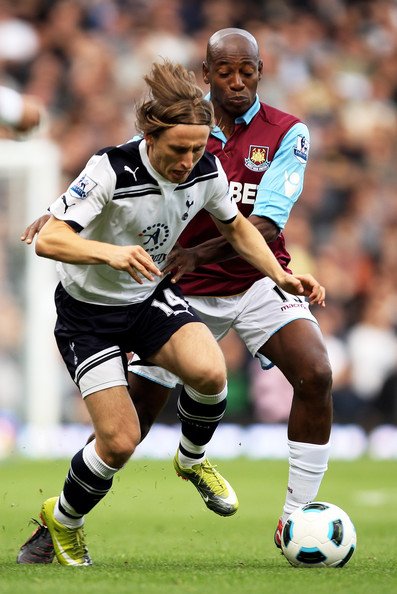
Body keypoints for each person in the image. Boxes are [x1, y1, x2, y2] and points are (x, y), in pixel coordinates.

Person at [17, 59, 325, 567]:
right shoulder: (110, 168)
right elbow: (50, 238)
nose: (188, 161)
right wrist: (110, 253)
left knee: (210, 372)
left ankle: (192, 458)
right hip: (89, 314)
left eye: (198, 149)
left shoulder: (206, 169)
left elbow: (238, 227)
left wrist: (281, 276)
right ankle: (63, 521)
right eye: (177, 149)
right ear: (149, 134)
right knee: (118, 442)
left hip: (148, 299)